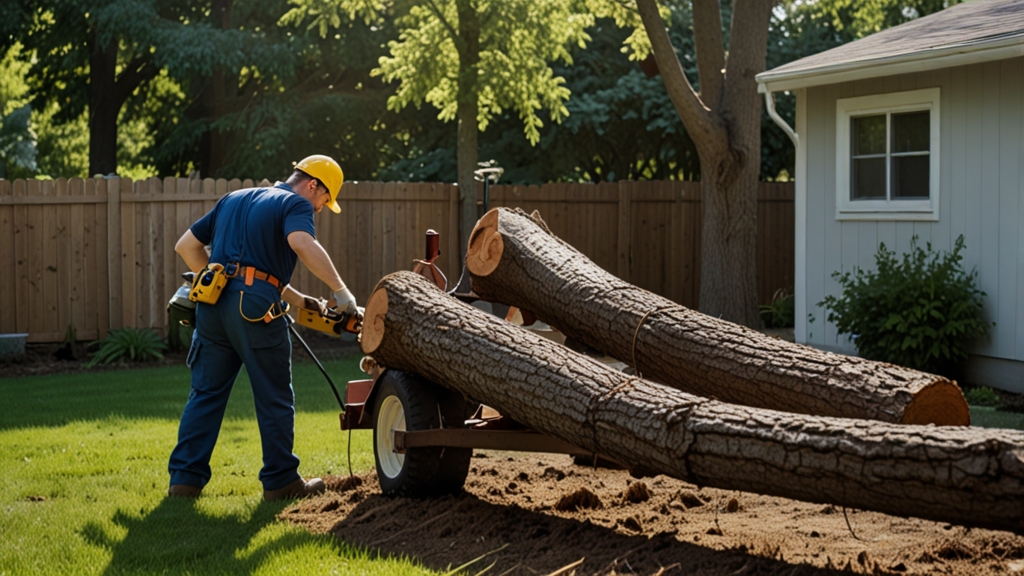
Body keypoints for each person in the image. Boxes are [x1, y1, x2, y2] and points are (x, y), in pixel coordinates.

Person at [167, 155, 358, 501]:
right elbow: (302, 244)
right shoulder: (295, 204)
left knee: (206, 394)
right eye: (324, 201)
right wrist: (342, 293)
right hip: (255, 313)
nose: (319, 210)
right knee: (274, 395)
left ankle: (184, 482)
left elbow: (187, 247)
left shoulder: (235, 199)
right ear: (312, 185)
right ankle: (281, 481)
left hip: (212, 308)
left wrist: (300, 301)